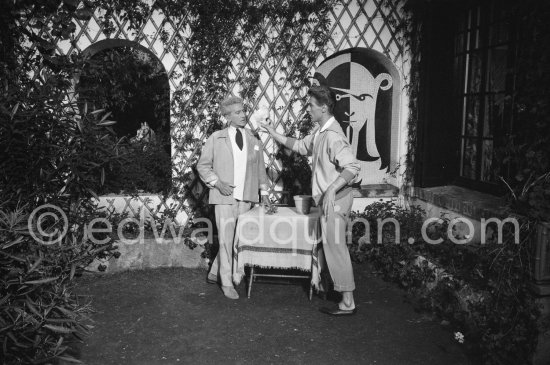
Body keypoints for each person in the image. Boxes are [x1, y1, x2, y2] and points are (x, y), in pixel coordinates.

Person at [260, 85, 360, 315]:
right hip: (329, 200)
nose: (308, 109)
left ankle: (348, 302)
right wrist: (272, 132)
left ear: (323, 108)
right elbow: (302, 146)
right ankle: (339, 293)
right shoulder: (320, 132)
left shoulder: (333, 135)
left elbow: (352, 167)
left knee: (336, 249)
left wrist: (333, 189)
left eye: (311, 105)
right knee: (331, 248)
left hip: (335, 201)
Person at [197, 96, 270, 299]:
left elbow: (260, 169)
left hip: (246, 197)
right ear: (227, 116)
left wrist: (263, 193)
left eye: (243, 111)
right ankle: (226, 282)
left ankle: (214, 271)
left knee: (238, 239)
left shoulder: (254, 139)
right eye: (237, 112)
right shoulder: (216, 138)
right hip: (223, 197)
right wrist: (217, 183)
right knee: (226, 239)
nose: (243, 115)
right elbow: (202, 165)